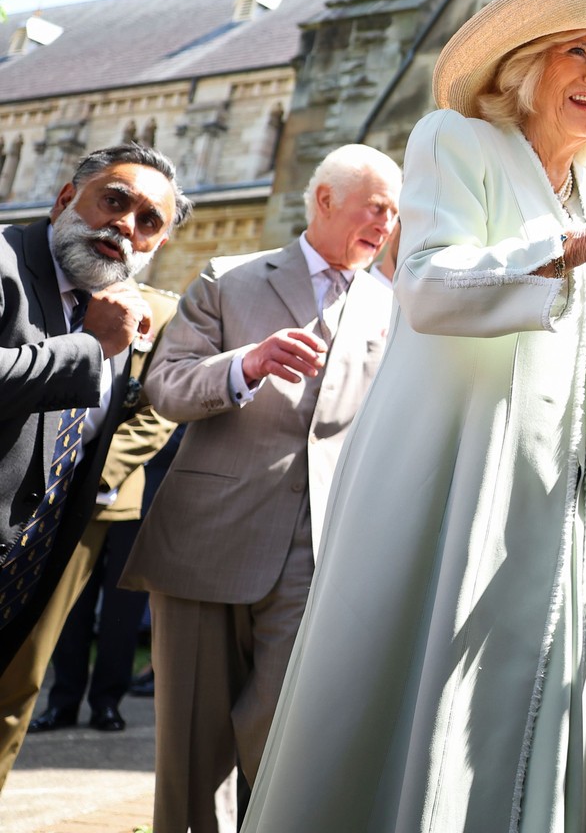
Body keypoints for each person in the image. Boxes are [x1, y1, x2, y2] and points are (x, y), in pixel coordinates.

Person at [238, 0, 586, 833]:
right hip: (450, 470)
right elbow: (433, 287)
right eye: (579, 52)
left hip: (550, 490)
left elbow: (562, 335)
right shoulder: (457, 139)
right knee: (420, 678)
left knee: (527, 702)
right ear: (525, 66)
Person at [119, 143, 401, 833]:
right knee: (193, 748)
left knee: (291, 733)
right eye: (377, 207)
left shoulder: (393, 306)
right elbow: (166, 386)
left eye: (396, 213)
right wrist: (245, 364)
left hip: (322, 551)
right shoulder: (230, 277)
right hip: (207, 538)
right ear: (326, 201)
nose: (388, 225)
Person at [0, 146, 187, 764]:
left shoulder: (138, 311)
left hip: (43, 551)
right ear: (63, 200)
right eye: (114, 200)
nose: (125, 226)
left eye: (149, 221)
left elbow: (151, 407)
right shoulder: (5, 261)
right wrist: (88, 348)